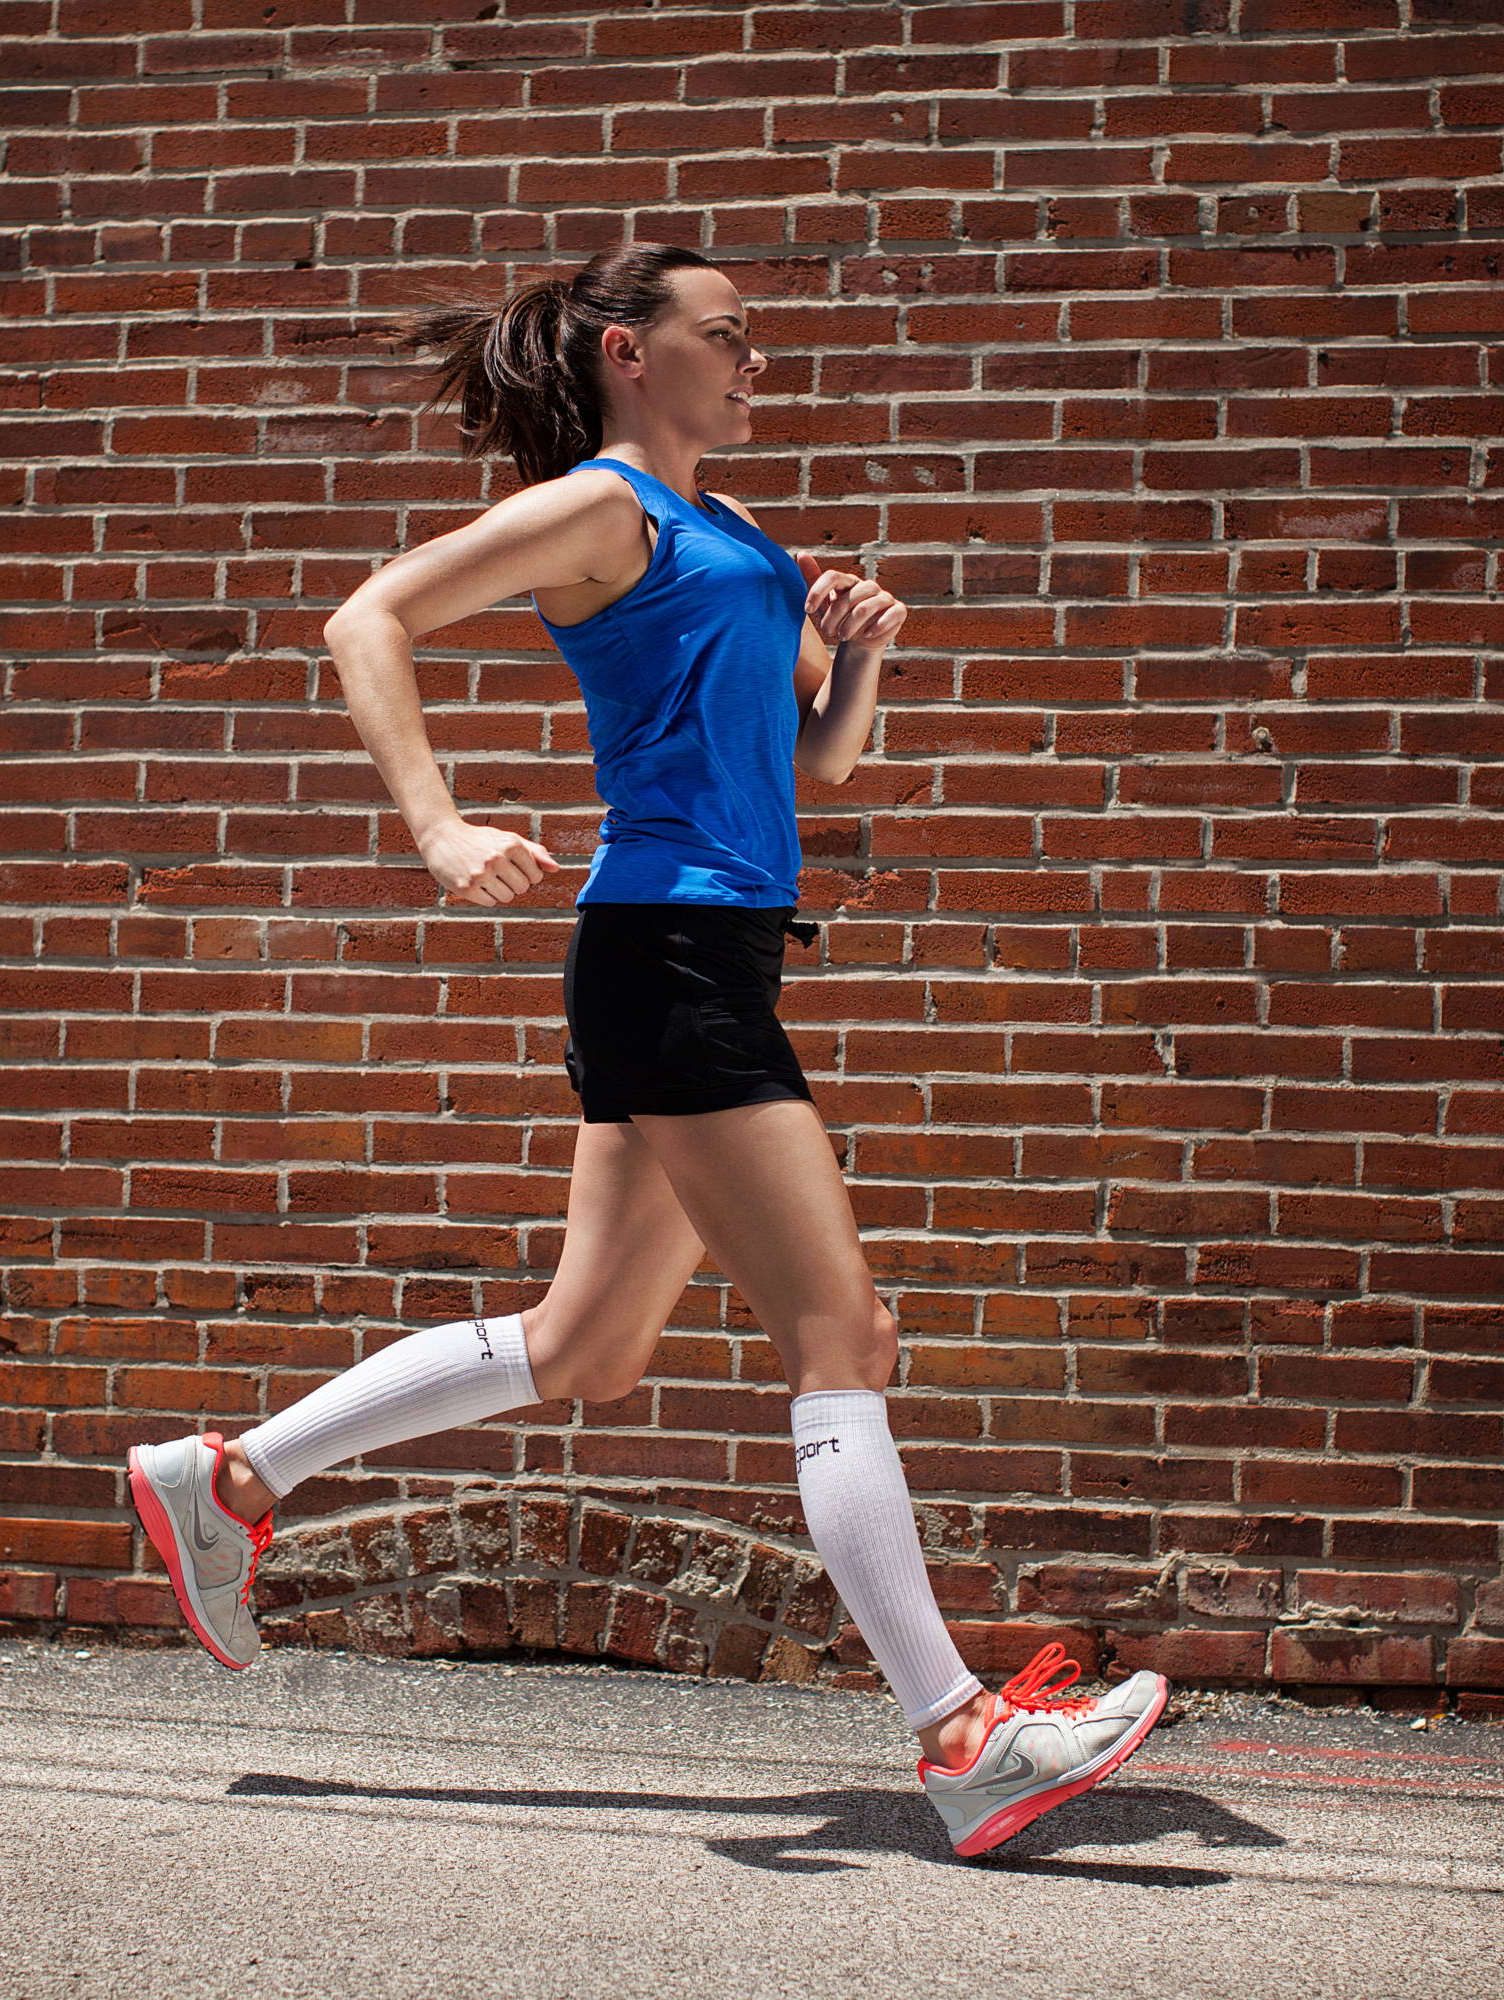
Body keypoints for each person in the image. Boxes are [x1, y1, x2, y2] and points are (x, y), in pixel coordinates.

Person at [129, 241, 1168, 1857]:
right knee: (846, 1334)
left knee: (586, 1346)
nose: (755, 361)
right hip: (670, 955)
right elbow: (369, 619)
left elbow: (817, 769)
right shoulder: (610, 509)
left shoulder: (736, 532)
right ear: (629, 352)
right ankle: (963, 1734)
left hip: (705, 949)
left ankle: (230, 1481)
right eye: (726, 336)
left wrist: (865, 648)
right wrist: (438, 824)